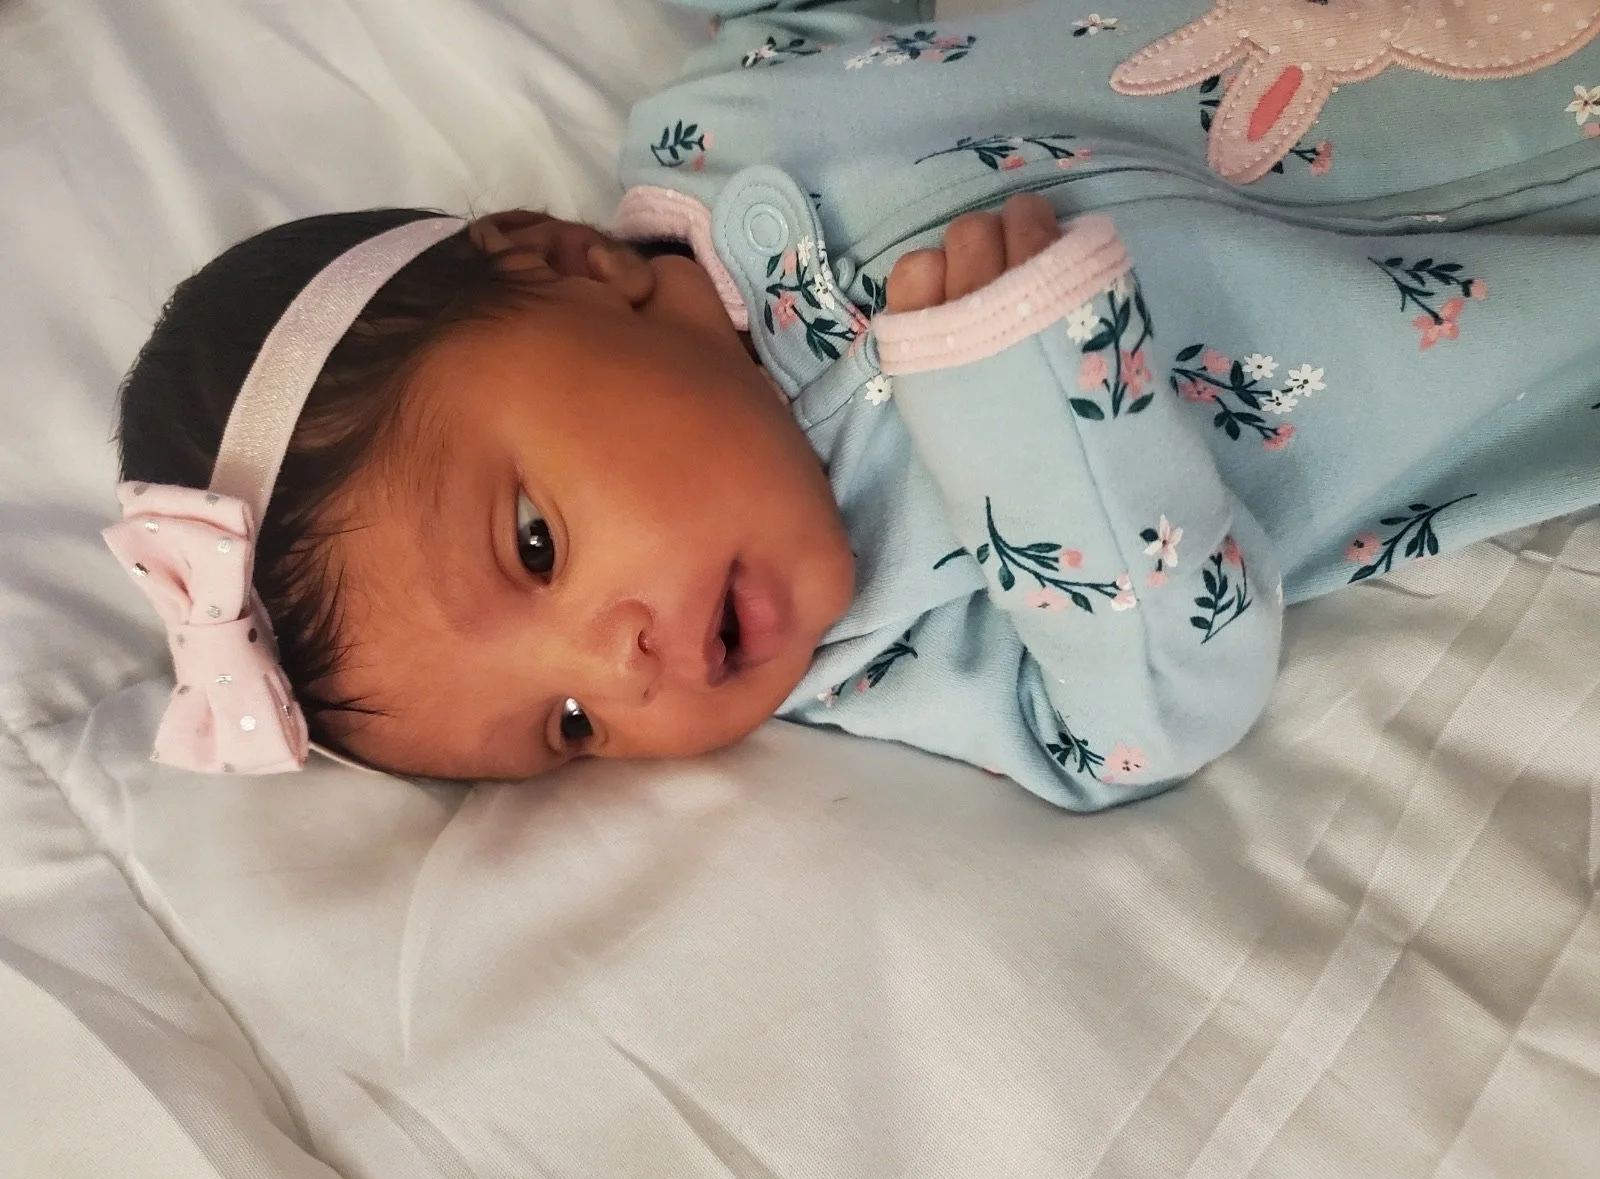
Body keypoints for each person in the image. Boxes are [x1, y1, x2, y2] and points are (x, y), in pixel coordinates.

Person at [106, 0, 1600, 809]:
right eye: (564, 727)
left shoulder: (724, 122)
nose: (622, 675)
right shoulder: (886, 648)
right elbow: (1150, 723)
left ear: (558, 262)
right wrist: (1029, 400)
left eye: (538, 547)